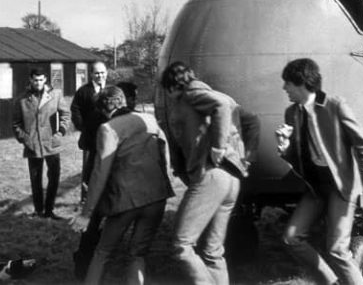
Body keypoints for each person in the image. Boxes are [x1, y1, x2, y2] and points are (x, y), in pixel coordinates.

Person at [276, 58, 363, 285]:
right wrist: (286, 149)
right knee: (291, 238)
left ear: (301, 82)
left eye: (288, 83)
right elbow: (299, 160)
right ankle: (332, 283)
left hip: (341, 186)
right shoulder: (291, 113)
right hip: (316, 188)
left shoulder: (335, 106)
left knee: (336, 249)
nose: (284, 88)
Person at [160, 61, 260, 285]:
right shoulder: (213, 94)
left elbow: (221, 106)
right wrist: (245, 157)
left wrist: (218, 146)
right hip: (231, 179)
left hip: (211, 177)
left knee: (181, 245)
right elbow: (252, 120)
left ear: (172, 86)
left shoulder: (191, 93)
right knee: (212, 250)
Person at [70, 86, 174, 285]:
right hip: (156, 198)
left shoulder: (108, 129)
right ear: (122, 101)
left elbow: (100, 172)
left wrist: (86, 214)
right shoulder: (149, 120)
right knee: (138, 253)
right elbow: (164, 155)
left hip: (125, 200)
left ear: (104, 109)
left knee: (102, 252)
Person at [12, 68, 70, 219]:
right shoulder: (22, 99)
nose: (38, 83)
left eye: (41, 79)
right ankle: (39, 211)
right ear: (30, 80)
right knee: (35, 179)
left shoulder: (55, 95)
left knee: (54, 176)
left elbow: (65, 114)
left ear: (45, 80)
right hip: (33, 146)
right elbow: (16, 124)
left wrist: (60, 132)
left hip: (52, 143)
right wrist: (26, 139)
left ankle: (49, 210)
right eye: (35, 80)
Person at [71, 62, 108, 203]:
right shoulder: (83, 91)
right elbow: (75, 110)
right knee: (88, 169)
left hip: (107, 137)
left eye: (102, 72)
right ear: (91, 74)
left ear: (107, 73)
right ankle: (85, 199)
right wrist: (83, 127)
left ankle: (103, 198)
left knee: (105, 166)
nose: (100, 76)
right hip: (90, 137)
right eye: (97, 73)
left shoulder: (111, 91)